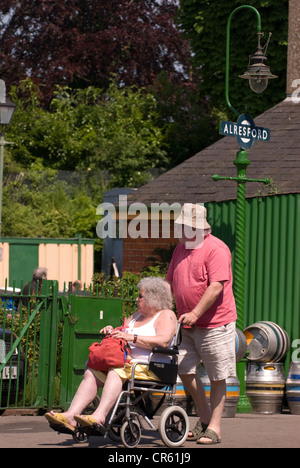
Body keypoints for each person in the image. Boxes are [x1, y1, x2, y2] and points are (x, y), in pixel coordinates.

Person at [45, 277, 177, 434]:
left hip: (150, 367)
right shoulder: (135, 316)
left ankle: (99, 416)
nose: (136, 299)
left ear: (153, 298)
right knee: (91, 372)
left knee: (116, 371)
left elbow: (163, 341)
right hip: (126, 363)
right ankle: (71, 415)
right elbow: (124, 332)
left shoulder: (166, 315)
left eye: (140, 296)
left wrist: (132, 338)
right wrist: (113, 331)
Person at [165, 203, 237, 445]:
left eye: (183, 226)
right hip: (186, 324)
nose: (179, 231)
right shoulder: (180, 249)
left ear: (196, 228)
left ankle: (215, 428)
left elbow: (216, 286)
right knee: (184, 369)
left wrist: (195, 313)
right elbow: (168, 282)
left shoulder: (216, 248)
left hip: (215, 323)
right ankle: (205, 417)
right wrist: (158, 307)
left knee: (218, 375)